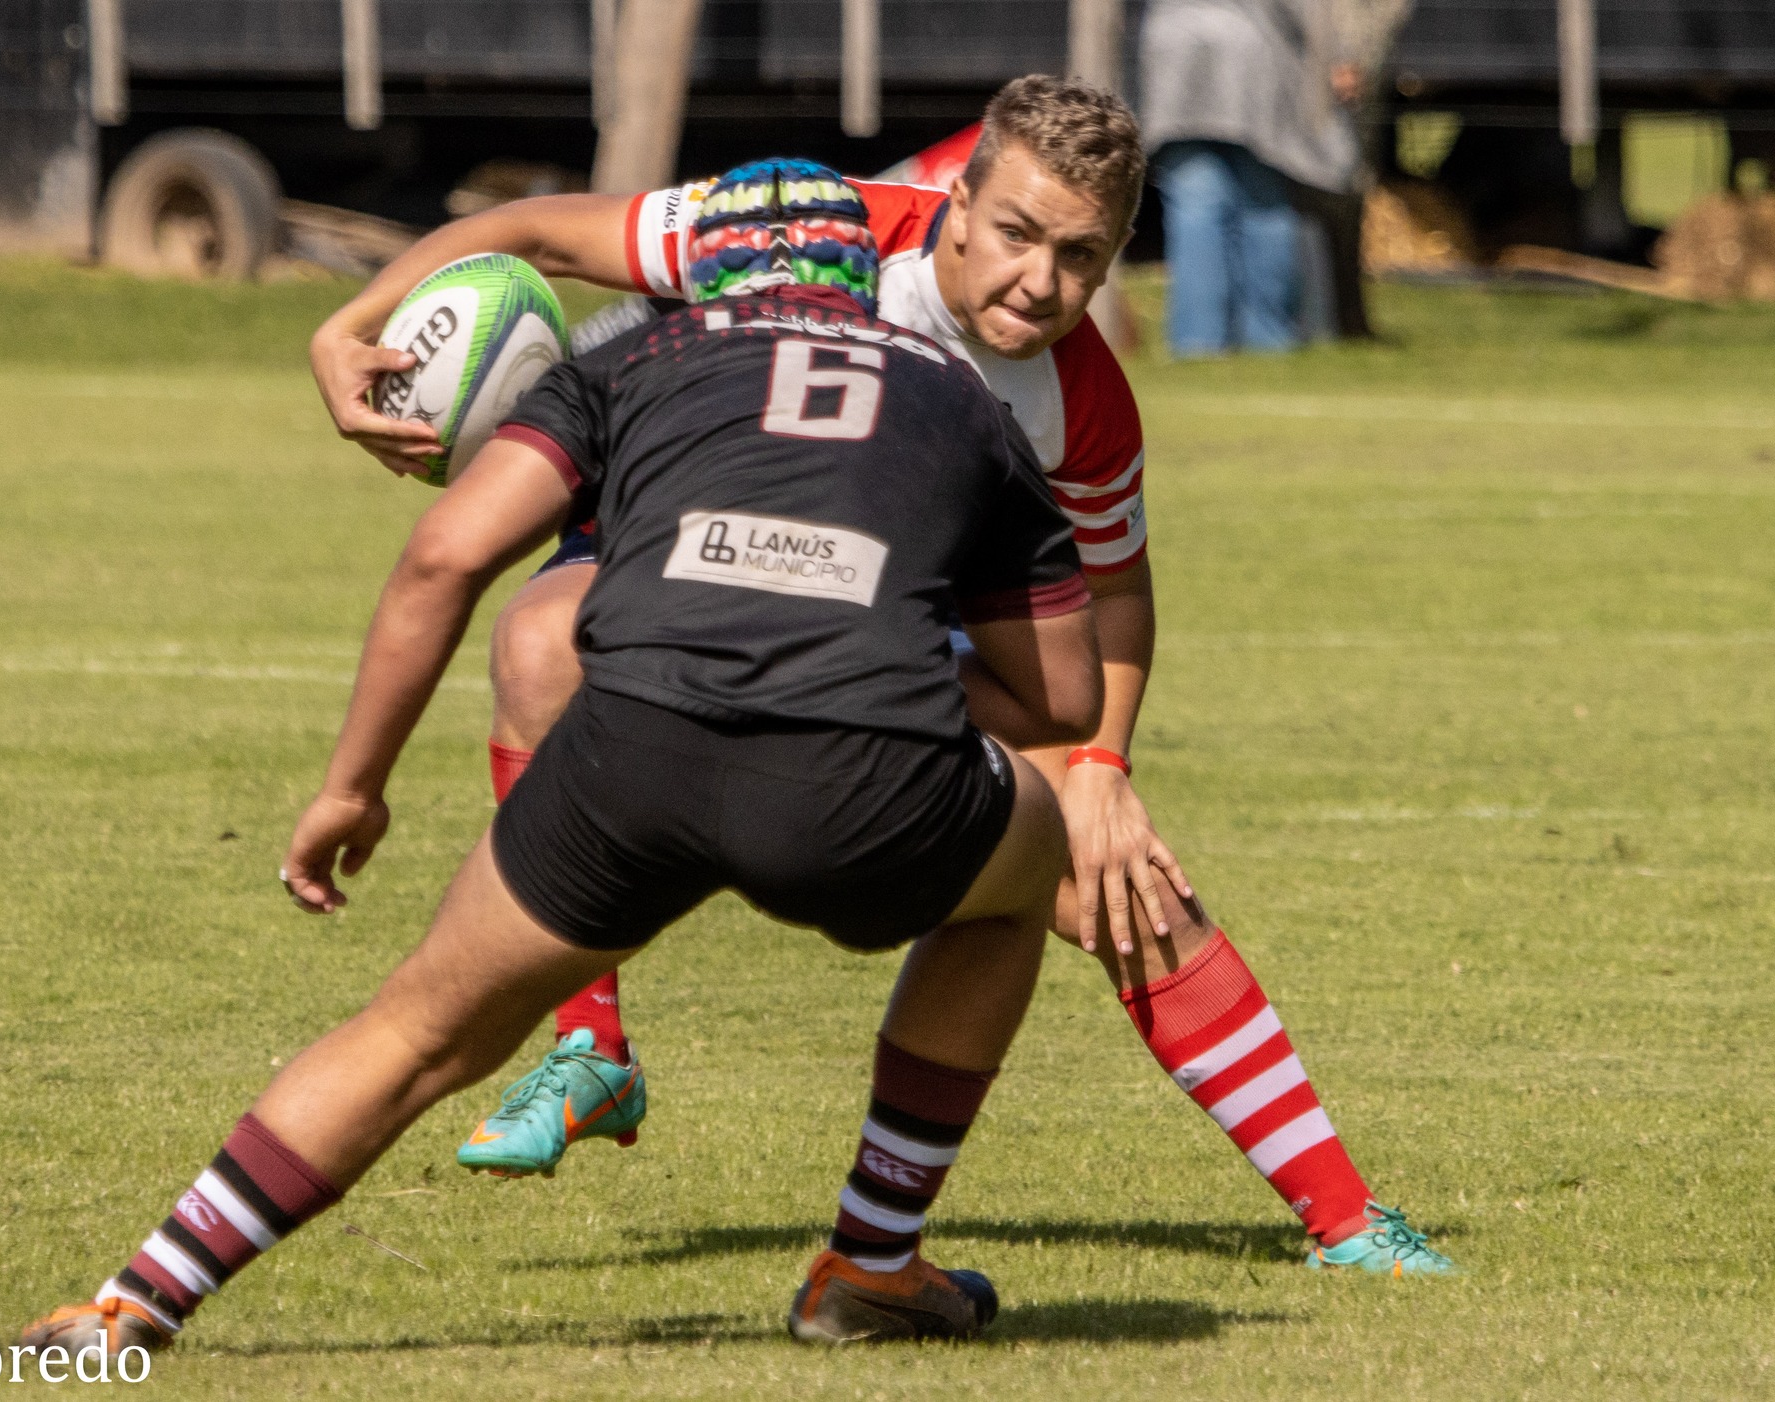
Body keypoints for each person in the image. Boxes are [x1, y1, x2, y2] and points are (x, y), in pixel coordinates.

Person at [309, 77, 1454, 1276]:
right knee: (541, 640)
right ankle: (590, 1047)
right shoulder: (815, 232)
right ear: (952, 202)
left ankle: (1344, 1217)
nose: (1038, 283)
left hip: (890, 613)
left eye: (1080, 260)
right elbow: (532, 231)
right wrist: (347, 327)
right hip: (699, 550)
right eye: (1015, 235)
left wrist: (1104, 766)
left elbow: (1115, 596)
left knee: (1108, 866)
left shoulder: (1083, 402)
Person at [21, 163, 1109, 1357]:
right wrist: (873, 638)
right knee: (1023, 864)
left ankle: (134, 1300)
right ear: (868, 276)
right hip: (864, 786)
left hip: (632, 746)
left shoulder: (626, 362)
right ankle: (871, 1260)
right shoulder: (969, 406)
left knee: (418, 1030)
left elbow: (445, 559)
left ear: (692, 275)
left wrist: (351, 787)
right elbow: (1062, 694)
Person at [1138, 0, 1363, 355]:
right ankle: (1268, 342)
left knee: (1195, 208)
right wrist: (1338, 55)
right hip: (1252, 53)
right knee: (1264, 205)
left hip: (1173, 49)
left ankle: (1198, 346)